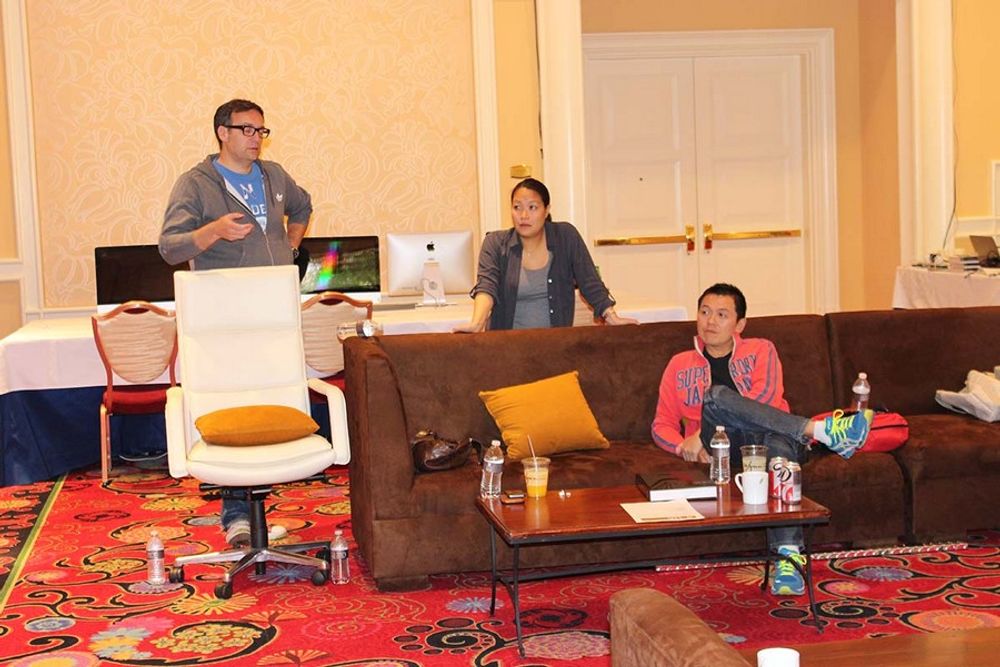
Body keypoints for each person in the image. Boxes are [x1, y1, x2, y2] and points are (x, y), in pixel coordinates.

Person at [651, 283, 874, 596]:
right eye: (704, 312)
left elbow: (765, 400)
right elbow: (661, 423)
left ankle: (788, 561)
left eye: (721, 314)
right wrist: (682, 444)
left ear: (739, 324)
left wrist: (704, 435)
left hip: (772, 434)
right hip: (725, 450)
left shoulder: (761, 349)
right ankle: (821, 431)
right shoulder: (679, 364)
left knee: (778, 452)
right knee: (715, 398)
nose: (710, 321)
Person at [159, 98, 312, 548]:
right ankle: (236, 517)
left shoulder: (275, 176)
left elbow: (303, 207)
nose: (256, 139)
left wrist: (290, 246)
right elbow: (170, 246)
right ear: (222, 132)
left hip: (273, 312)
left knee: (271, 406)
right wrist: (213, 232)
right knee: (235, 411)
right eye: (247, 130)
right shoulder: (196, 184)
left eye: (262, 131)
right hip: (223, 318)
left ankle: (258, 514)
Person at [455, 178, 637, 332]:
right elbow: (487, 287)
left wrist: (612, 317)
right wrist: (477, 323)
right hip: (507, 347)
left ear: (546, 209)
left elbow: (590, 282)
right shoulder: (495, 243)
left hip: (555, 344)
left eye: (532, 207)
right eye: (517, 207)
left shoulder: (565, 237)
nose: (523, 215)